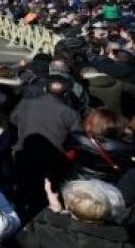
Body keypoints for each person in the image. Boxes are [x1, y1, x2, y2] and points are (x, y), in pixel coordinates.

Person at [10, 78, 83, 218]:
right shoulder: (70, 113)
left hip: (24, 151)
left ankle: (19, 213)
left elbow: (13, 119)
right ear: (66, 93)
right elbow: (77, 137)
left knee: (22, 186)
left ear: (45, 89)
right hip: (53, 158)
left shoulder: (26, 103)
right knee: (46, 191)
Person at [17, 179, 134, 248]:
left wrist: (51, 213)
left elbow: (21, 241)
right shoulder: (123, 241)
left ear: (68, 206)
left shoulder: (41, 232)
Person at [63, 108, 134, 187]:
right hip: (107, 189)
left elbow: (65, 147)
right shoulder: (127, 148)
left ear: (91, 122)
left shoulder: (77, 138)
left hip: (76, 184)